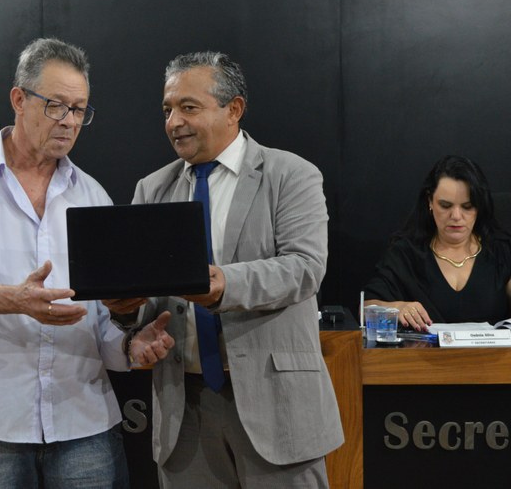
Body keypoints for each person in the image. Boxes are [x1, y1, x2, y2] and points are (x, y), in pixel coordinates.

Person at [0, 38, 174, 489]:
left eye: (79, 110)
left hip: (82, 419)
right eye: (56, 106)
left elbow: (100, 320)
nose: (70, 121)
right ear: (19, 99)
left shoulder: (92, 196)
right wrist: (17, 299)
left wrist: (130, 341)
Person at [106, 52, 343, 488]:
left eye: (188, 107)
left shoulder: (290, 175)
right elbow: (148, 299)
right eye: (167, 110)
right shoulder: (152, 189)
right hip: (184, 412)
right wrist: (127, 312)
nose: (174, 122)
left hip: (276, 407)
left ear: (233, 109)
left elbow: (305, 267)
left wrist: (225, 284)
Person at [364, 155, 511, 330]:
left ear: (479, 206)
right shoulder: (405, 254)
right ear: (430, 202)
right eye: (445, 206)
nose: (456, 216)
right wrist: (397, 308)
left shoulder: (501, 252)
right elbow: (366, 308)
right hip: (422, 348)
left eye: (467, 206)